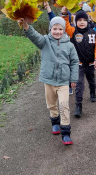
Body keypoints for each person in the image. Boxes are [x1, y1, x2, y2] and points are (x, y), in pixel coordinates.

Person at [17, 16, 79, 145]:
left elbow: (74, 62)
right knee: (51, 104)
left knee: (64, 105)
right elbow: (34, 36)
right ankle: (55, 122)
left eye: (60, 29)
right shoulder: (44, 41)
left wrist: (73, 78)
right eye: (54, 29)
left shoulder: (69, 45)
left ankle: (66, 133)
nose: (57, 32)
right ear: (50, 29)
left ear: (64, 30)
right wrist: (25, 26)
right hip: (49, 80)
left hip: (63, 81)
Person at [61, 7, 96, 118]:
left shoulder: (93, 33)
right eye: (79, 20)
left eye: (84, 20)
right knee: (79, 85)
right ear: (76, 22)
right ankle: (78, 105)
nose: (82, 22)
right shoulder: (73, 32)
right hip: (77, 64)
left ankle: (93, 92)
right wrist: (65, 14)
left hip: (90, 64)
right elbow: (66, 25)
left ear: (87, 21)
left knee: (91, 80)